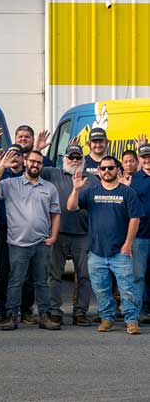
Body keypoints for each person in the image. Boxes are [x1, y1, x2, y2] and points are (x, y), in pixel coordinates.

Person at [0, 149, 61, 331]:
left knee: (41, 281)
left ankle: (44, 316)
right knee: (15, 281)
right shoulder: (10, 184)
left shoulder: (49, 188)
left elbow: (55, 213)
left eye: (39, 162)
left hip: (42, 243)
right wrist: (1, 166)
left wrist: (53, 237)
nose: (35, 165)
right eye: (32, 161)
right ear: (25, 162)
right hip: (18, 243)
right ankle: (12, 316)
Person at [68, 156, 143, 334]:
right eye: (103, 168)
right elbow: (71, 207)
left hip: (120, 252)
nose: (107, 171)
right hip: (96, 252)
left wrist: (127, 244)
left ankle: (132, 320)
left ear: (118, 169)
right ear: (99, 171)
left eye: (110, 168)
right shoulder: (90, 192)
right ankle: (107, 319)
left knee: (127, 288)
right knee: (101, 289)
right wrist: (76, 189)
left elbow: (135, 219)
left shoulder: (127, 192)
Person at [41, 144, 94, 326]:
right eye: (71, 157)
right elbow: (32, 166)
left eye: (78, 157)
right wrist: (38, 148)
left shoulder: (92, 179)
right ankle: (55, 311)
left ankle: (80, 312)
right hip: (58, 232)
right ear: (64, 159)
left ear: (83, 159)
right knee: (54, 274)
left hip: (83, 234)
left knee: (84, 275)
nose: (74, 160)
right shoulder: (52, 173)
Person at [0, 145, 36, 324]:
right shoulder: (2, 174)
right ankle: (2, 310)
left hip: (25, 231)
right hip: (5, 229)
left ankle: (26, 309)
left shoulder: (29, 176)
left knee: (26, 273)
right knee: (3, 272)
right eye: (10, 154)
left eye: (17, 155)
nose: (13, 158)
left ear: (23, 158)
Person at [127, 143, 150, 324]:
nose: (147, 160)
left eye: (149, 156)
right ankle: (139, 311)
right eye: (144, 157)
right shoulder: (133, 179)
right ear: (140, 160)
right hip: (140, 236)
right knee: (138, 276)